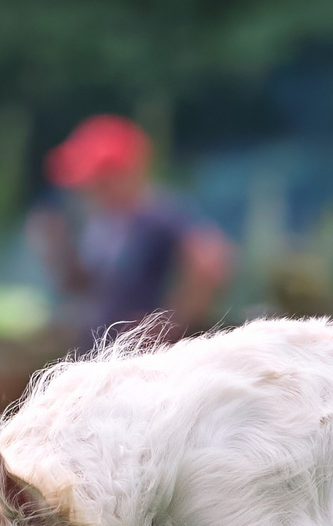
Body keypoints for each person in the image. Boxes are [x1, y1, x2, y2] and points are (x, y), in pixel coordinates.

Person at [29, 115, 232, 351]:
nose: (88, 189)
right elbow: (86, 286)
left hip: (143, 362)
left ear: (120, 172)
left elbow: (210, 263)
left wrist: (168, 328)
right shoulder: (104, 221)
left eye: (97, 180)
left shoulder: (158, 215)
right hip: (106, 352)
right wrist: (59, 249)